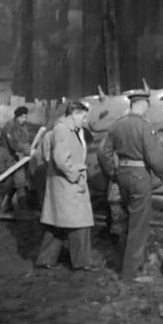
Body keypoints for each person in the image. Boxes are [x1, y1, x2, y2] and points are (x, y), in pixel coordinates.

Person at [97, 90, 163, 283]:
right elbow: (154, 158)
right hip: (140, 177)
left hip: (122, 175)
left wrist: (113, 173)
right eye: (147, 105)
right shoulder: (144, 126)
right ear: (144, 104)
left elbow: (103, 152)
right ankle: (131, 272)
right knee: (139, 223)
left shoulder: (117, 125)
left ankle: (125, 259)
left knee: (125, 219)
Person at [35, 101, 99, 271]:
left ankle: (46, 258)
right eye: (83, 117)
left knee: (57, 222)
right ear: (74, 114)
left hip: (63, 185)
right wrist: (75, 175)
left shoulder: (67, 129)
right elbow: (61, 159)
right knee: (80, 223)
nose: (84, 121)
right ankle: (82, 262)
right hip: (68, 183)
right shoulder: (63, 130)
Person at [0, 106, 32, 215]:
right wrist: (26, 148)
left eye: (25, 117)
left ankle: (23, 209)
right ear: (17, 117)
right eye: (22, 117)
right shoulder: (9, 126)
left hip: (13, 155)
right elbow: (14, 143)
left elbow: (25, 141)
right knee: (1, 181)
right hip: (2, 154)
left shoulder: (24, 127)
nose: (24, 120)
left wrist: (29, 147)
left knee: (20, 180)